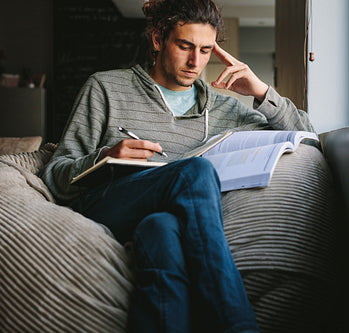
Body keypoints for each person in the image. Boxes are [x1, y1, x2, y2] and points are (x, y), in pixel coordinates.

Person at [41, 0, 315, 332]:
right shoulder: (106, 88)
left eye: (204, 50)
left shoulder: (223, 108)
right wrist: (104, 157)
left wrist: (260, 91)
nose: (195, 62)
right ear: (158, 39)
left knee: (161, 230)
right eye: (184, 46)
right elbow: (56, 175)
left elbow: (308, 134)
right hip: (107, 204)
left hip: (158, 219)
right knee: (195, 173)